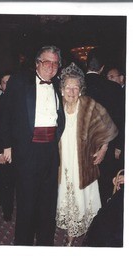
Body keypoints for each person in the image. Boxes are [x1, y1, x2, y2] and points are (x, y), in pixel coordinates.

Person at [0, 45, 65, 245]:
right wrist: (7, 145)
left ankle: (45, 244)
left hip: (50, 151)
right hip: (27, 151)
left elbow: (59, 118)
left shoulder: (57, 84)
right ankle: (24, 245)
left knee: (47, 204)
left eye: (55, 63)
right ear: (37, 63)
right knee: (27, 204)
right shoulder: (20, 81)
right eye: (47, 62)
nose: (51, 67)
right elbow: (5, 113)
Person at [56, 62, 118, 246]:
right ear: (62, 88)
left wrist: (103, 149)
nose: (72, 91)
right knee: (66, 194)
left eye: (76, 87)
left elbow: (107, 126)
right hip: (63, 161)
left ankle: (77, 235)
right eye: (68, 87)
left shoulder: (89, 105)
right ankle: (71, 231)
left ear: (81, 89)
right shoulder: (57, 106)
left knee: (82, 197)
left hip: (83, 162)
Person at [85, 47, 124, 206]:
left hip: (82, 144)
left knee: (84, 183)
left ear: (86, 65)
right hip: (107, 145)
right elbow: (121, 119)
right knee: (105, 185)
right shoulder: (113, 88)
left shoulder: (75, 86)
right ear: (102, 68)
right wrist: (118, 147)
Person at [0, 72, 15, 221]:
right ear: (1, 86)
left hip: (21, 151)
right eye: (4, 82)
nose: (7, 84)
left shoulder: (22, 100)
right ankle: (7, 213)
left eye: (10, 81)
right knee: (7, 184)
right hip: (5, 151)